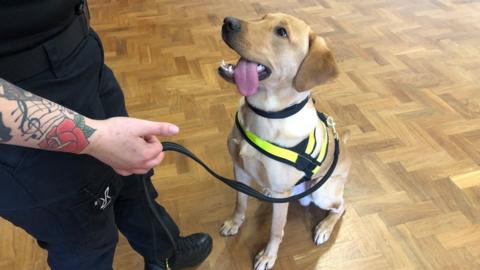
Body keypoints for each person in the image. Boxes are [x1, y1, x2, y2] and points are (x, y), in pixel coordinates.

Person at [0, 1, 212, 270]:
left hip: (80, 53)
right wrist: (95, 138)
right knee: (84, 239)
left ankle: (166, 255)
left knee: (134, 180)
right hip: (21, 117)